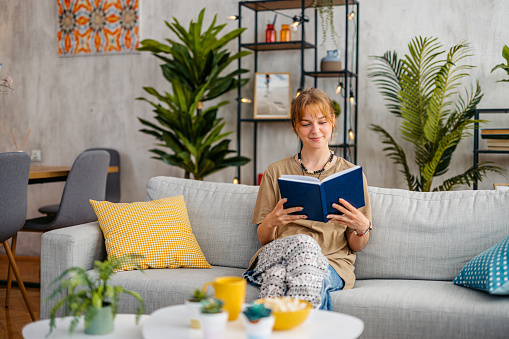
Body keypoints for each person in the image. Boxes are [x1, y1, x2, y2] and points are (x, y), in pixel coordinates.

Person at [243, 88, 372, 311]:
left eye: (322, 122)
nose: (315, 130)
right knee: (304, 244)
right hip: (281, 253)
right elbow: (264, 239)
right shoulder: (276, 171)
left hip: (332, 262)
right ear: (296, 126)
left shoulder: (351, 175)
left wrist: (362, 229)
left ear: (332, 122)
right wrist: (272, 221)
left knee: (289, 278)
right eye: (306, 124)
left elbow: (356, 245)